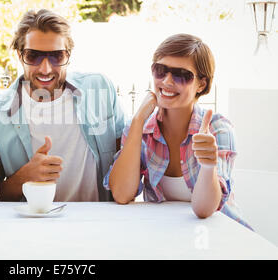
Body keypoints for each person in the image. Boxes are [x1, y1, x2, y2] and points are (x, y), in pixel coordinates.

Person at [104, 33, 250, 229]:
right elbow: (122, 194)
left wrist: (208, 166)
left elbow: (205, 210)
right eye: (160, 70)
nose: (167, 81)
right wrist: (138, 121)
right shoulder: (139, 128)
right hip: (167, 235)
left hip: (222, 233)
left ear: (201, 84)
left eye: (181, 75)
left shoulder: (217, 129)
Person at [0, 9, 125, 202]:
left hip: (95, 220)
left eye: (57, 56)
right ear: (19, 54)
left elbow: (123, 159)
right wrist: (24, 178)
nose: (45, 69)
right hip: (33, 225)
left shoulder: (99, 88)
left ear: (68, 56)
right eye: (33, 56)